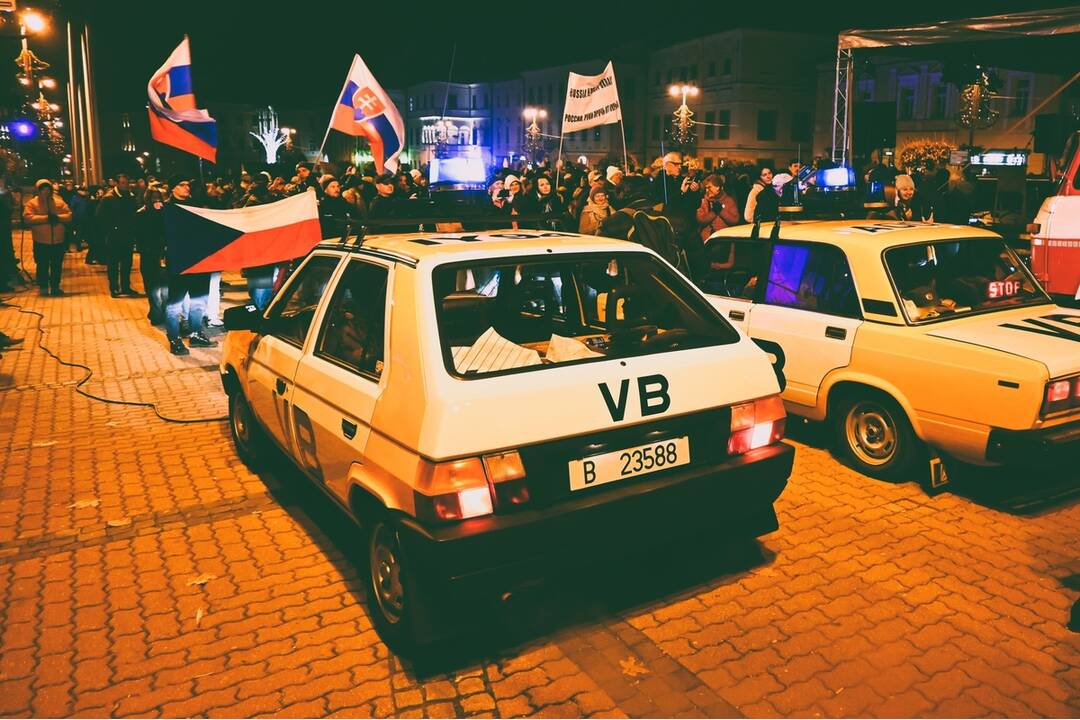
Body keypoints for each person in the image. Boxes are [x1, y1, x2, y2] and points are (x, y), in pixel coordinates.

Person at [162, 176, 215, 355]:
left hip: (199, 260)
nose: (186, 188)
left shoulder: (195, 206)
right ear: (172, 189)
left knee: (199, 301)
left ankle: (195, 333)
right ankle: (174, 339)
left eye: (187, 185)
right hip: (179, 261)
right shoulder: (164, 208)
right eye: (181, 185)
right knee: (174, 303)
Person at [23, 180, 72, 296]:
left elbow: (69, 215)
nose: (46, 192)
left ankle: (55, 286)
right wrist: (46, 218)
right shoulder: (32, 203)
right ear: (38, 190)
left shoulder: (58, 202)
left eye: (47, 189)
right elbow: (28, 218)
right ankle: (43, 287)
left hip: (58, 240)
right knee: (42, 264)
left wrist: (57, 217)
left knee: (56, 265)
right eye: (43, 189)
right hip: (41, 240)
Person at [97, 173, 140, 297]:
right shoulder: (108, 198)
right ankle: (114, 287)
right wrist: (110, 229)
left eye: (126, 183)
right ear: (116, 183)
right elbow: (99, 216)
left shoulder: (130, 197)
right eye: (122, 183)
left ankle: (126, 287)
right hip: (113, 236)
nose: (125, 186)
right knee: (113, 263)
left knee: (127, 263)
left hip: (127, 234)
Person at [135, 186, 168, 325]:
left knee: (165, 287)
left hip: (162, 254)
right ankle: (156, 313)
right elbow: (141, 235)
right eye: (153, 198)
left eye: (158, 198)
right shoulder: (142, 214)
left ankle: (164, 312)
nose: (156, 201)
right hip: (149, 255)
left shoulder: (164, 213)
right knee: (152, 287)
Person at [696, 174, 740, 243]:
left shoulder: (728, 200)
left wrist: (722, 211)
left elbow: (735, 220)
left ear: (717, 187)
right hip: (707, 241)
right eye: (706, 188)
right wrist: (713, 212)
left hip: (724, 240)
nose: (707, 190)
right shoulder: (703, 201)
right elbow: (700, 221)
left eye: (709, 187)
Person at [0, 175, 18, 291]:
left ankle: (4, 282)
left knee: (4, 255)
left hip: (3, 230)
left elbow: (9, 208)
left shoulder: (4, 194)